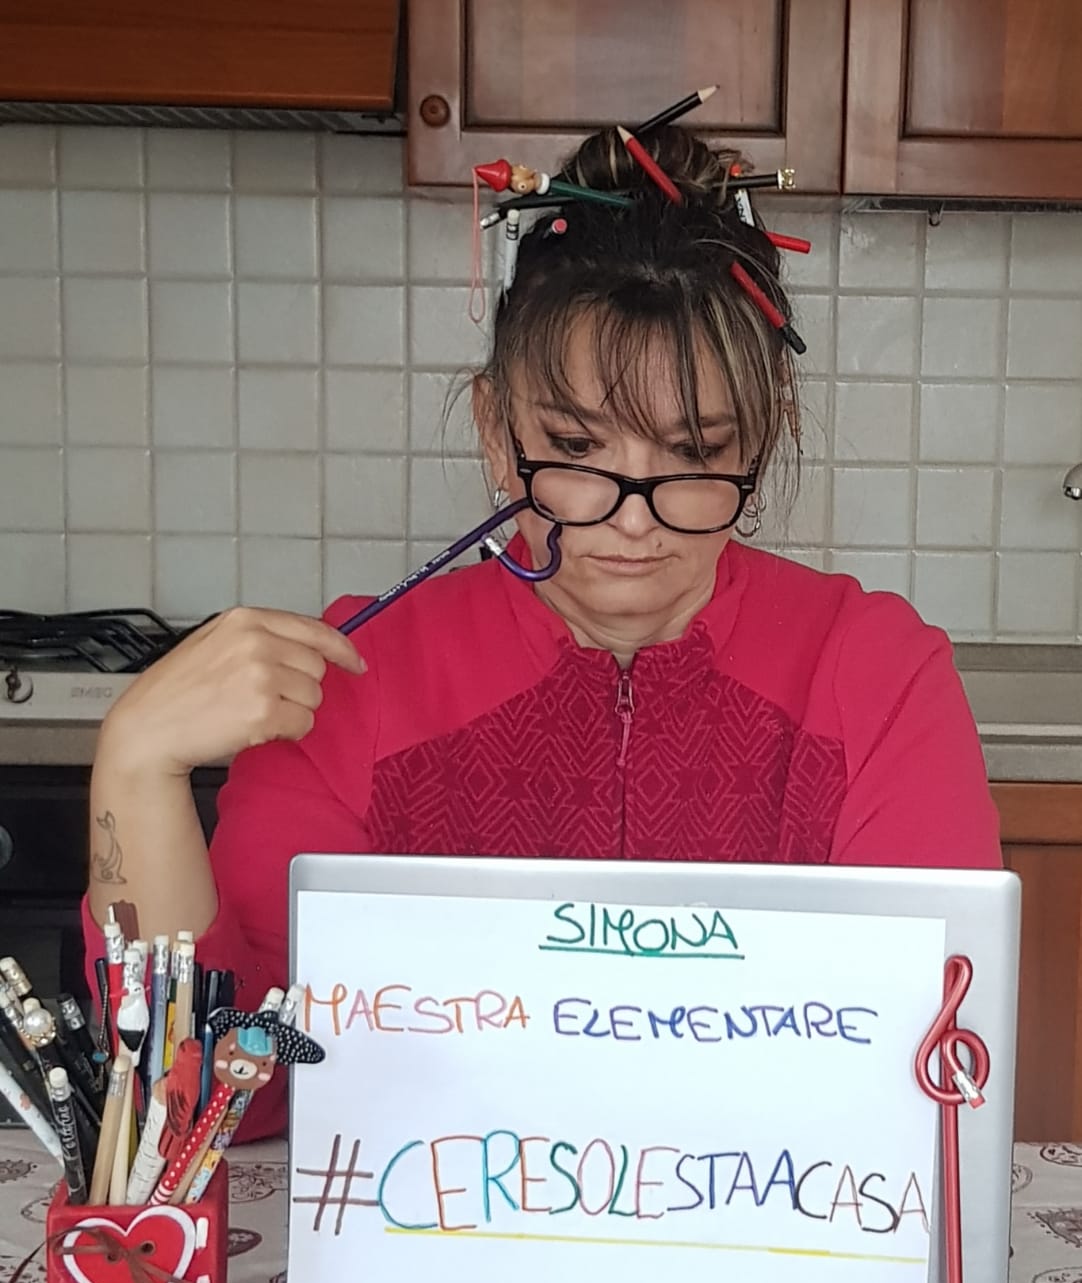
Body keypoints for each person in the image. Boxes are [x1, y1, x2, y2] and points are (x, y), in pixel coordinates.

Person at [83, 125, 1001, 1141]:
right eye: (573, 446)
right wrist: (134, 764)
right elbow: (210, 1101)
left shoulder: (876, 675)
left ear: (763, 435)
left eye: (695, 453)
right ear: (496, 428)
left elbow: (932, 1081)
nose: (634, 518)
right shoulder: (356, 677)